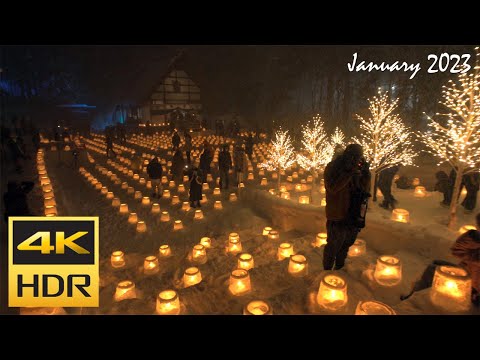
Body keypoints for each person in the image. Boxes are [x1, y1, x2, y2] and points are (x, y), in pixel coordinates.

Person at [400, 213, 480, 307]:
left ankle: (415, 298)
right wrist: (472, 237)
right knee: (435, 265)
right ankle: (415, 294)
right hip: (466, 272)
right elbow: (456, 251)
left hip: (472, 286)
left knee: (433, 270)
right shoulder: (476, 240)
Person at [323, 144, 371, 271]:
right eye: (354, 157)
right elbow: (333, 188)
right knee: (333, 245)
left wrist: (366, 174)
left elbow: (365, 190)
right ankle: (327, 272)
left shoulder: (358, 169)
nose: (357, 160)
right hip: (338, 214)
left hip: (354, 214)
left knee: (346, 244)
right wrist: (349, 172)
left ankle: (339, 267)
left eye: (359, 157)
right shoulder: (333, 167)